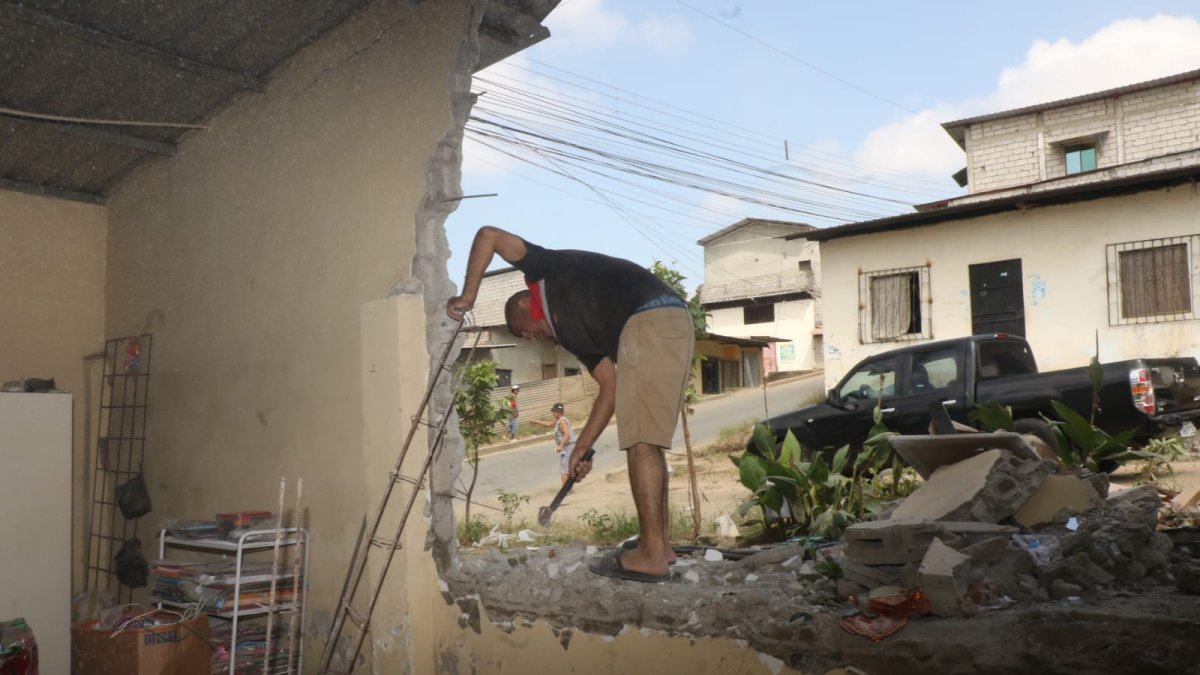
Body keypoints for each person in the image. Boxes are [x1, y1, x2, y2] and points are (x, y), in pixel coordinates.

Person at [447, 226, 693, 583]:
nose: (528, 336)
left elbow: (489, 235)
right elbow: (610, 385)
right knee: (648, 440)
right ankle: (661, 546)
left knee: (640, 441)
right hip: (666, 320)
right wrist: (582, 446)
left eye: (521, 329)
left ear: (523, 304)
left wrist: (467, 297)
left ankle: (651, 555)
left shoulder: (544, 271)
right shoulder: (573, 336)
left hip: (648, 316)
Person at [527, 403, 577, 486]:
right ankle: (568, 488)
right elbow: (549, 424)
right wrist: (535, 421)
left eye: (554, 411)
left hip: (568, 446)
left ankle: (565, 491)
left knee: (564, 469)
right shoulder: (559, 421)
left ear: (559, 412)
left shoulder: (562, 421)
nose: (553, 413)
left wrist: (560, 446)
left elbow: (567, 434)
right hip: (568, 446)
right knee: (566, 468)